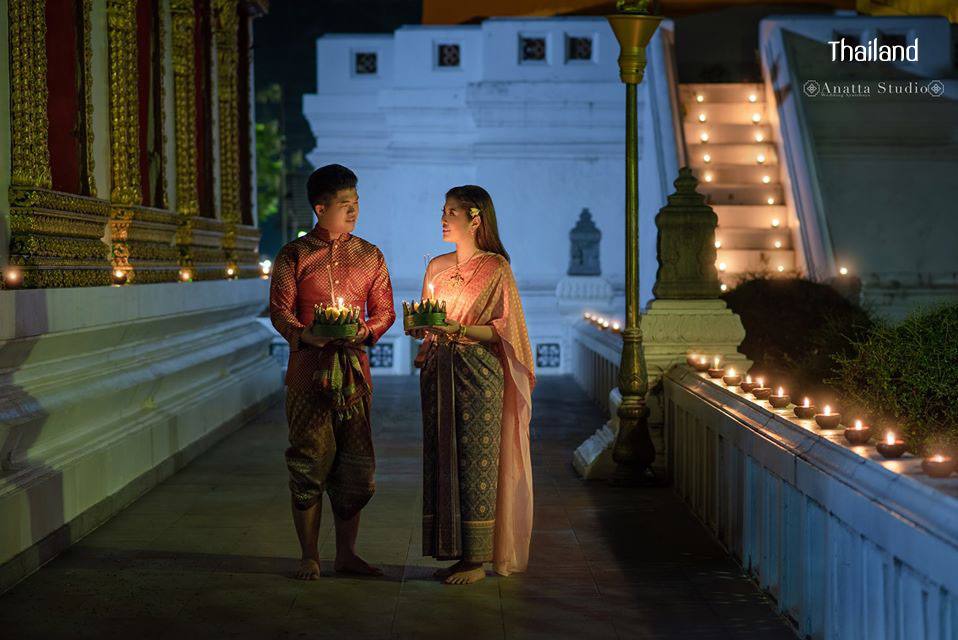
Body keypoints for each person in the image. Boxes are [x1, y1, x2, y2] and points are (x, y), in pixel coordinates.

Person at [269, 164, 395, 580]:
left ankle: (347, 554)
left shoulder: (370, 255)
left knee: (355, 468)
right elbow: (280, 311)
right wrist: (307, 336)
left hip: (355, 376)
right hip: (308, 373)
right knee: (308, 462)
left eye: (356, 203)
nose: (354, 210)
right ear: (320, 208)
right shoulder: (294, 255)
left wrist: (364, 329)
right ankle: (309, 554)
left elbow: (385, 311)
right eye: (345, 204)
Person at [412, 185, 536, 585]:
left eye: (451, 212)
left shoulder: (496, 267)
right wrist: (423, 328)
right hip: (439, 369)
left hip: (479, 373)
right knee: (442, 458)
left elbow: (506, 330)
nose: (443, 219)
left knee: (477, 460)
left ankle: (478, 560)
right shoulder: (436, 268)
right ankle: (454, 549)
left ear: (475, 217)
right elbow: (428, 314)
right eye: (443, 211)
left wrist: (460, 328)